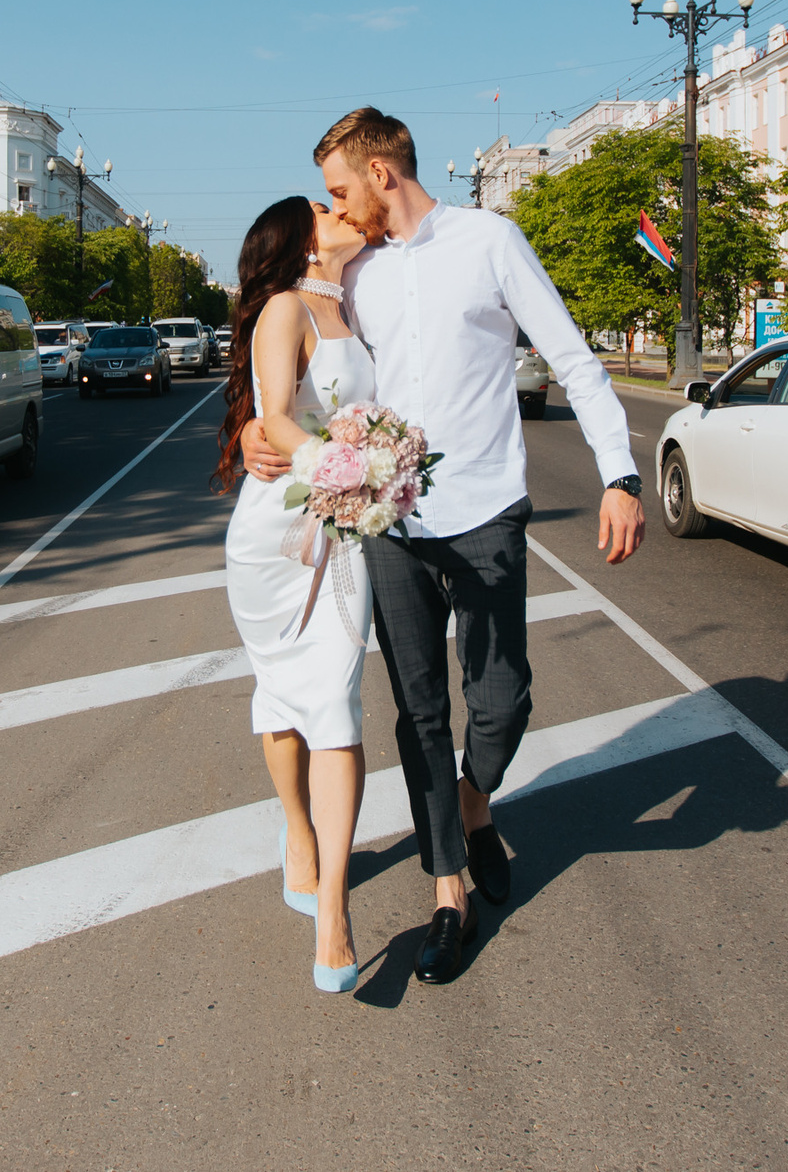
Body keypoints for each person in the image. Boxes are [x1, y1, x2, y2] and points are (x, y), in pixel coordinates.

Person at [243, 107, 644, 986]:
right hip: (393, 526)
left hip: (489, 508)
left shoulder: (491, 240)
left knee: (502, 701)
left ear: (382, 173)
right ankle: (448, 891)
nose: (337, 209)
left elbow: (573, 359)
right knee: (418, 709)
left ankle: (472, 805)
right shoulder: (359, 275)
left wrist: (620, 474)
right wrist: (251, 433)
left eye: (342, 189)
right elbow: (306, 370)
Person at [216, 195, 376, 995]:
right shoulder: (285, 306)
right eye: (325, 203)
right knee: (284, 697)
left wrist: (385, 468)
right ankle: (297, 831)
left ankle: (335, 912)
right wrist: (348, 469)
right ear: (302, 239)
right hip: (278, 535)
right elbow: (275, 418)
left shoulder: (363, 298)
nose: (342, 207)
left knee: (339, 704)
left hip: (347, 529)